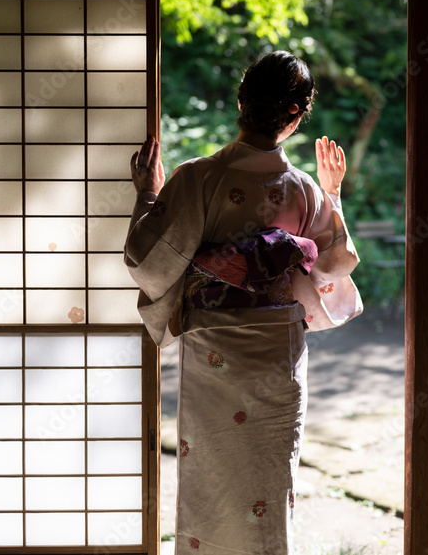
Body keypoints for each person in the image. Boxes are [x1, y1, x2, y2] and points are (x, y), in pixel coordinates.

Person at [123, 50, 363, 553]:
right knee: (268, 481)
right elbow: (335, 264)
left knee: (211, 475)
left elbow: (149, 259)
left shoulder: (197, 178)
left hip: (214, 351)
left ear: (240, 101)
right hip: (277, 353)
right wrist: (333, 194)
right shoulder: (302, 190)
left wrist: (148, 195)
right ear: (296, 117)